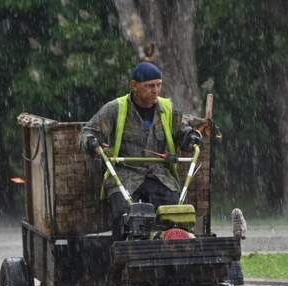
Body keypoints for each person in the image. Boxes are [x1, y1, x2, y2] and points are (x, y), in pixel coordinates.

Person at [78, 62, 203, 240]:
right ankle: (121, 256)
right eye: (149, 86)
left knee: (175, 207)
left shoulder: (167, 109)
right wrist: (92, 142)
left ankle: (171, 244)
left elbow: (182, 131)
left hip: (159, 175)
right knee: (123, 213)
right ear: (134, 86)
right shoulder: (116, 108)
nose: (155, 90)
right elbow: (87, 132)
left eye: (158, 85)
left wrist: (191, 137)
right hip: (125, 175)